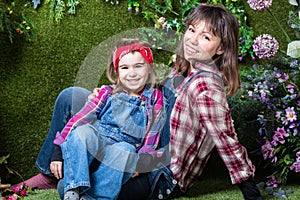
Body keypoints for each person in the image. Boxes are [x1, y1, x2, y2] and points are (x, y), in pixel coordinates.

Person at [15, 4, 263, 200]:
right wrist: (109, 94)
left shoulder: (206, 86)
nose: (193, 39)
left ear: (221, 49)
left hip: (160, 174)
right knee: (71, 97)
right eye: (191, 30)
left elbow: (225, 139)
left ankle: (70, 180)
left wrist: (250, 190)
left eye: (205, 37)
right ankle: (50, 172)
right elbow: (147, 96)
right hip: (132, 137)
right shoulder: (183, 68)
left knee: (85, 186)